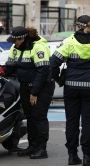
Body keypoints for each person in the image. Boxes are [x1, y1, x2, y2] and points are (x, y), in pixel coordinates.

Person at [6, 26, 55, 159]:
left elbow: (43, 72)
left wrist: (34, 93)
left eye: (15, 41)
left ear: (22, 38)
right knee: (30, 117)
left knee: (39, 116)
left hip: (42, 87)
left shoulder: (39, 47)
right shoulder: (15, 48)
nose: (13, 43)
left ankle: (42, 148)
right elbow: (9, 68)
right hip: (25, 86)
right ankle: (32, 145)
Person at [50, 15, 90, 166]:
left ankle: (72, 155)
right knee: (88, 122)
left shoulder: (69, 41)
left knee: (72, 121)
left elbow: (53, 62)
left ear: (77, 26)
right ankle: (87, 156)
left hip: (71, 87)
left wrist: (59, 79)